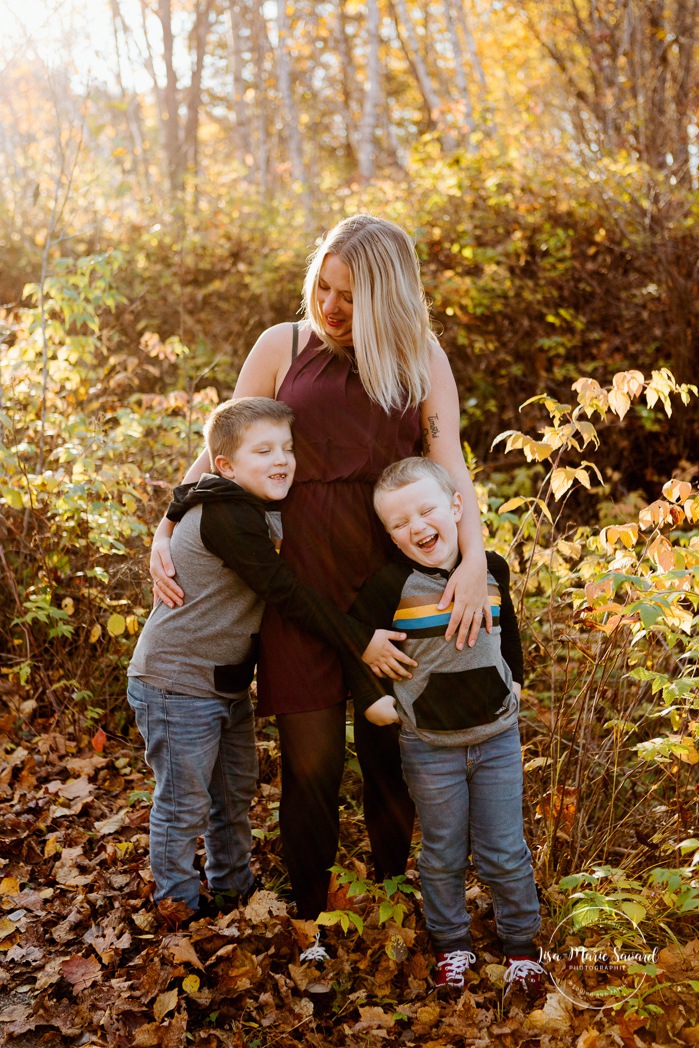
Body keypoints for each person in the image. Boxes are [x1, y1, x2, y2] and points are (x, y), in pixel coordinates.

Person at [149, 214, 490, 932]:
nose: (329, 307)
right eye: (322, 287)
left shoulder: (420, 358)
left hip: (388, 590)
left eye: (350, 296)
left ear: (388, 298)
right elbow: (222, 447)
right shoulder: (283, 345)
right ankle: (309, 923)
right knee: (310, 767)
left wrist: (471, 560)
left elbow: (448, 464)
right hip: (294, 591)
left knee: (389, 758)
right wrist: (170, 520)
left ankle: (390, 901)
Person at [128, 396, 405, 917]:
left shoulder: (251, 500)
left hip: (225, 681)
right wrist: (358, 639)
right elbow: (287, 593)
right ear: (226, 466)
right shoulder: (227, 515)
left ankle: (233, 888)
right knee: (184, 803)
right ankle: (176, 904)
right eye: (263, 451)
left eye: (287, 448)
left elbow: (195, 490)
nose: (282, 460)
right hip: (176, 680)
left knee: (233, 793)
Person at [348, 457, 545, 996]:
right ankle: (452, 945)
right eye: (399, 523)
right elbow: (350, 639)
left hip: (498, 738)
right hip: (429, 745)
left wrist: (518, 682)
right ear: (389, 534)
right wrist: (371, 701)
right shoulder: (391, 583)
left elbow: (509, 633)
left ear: (457, 507)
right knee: (442, 850)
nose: (417, 527)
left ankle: (522, 946)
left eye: (427, 510)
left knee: (505, 848)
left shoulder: (491, 567)